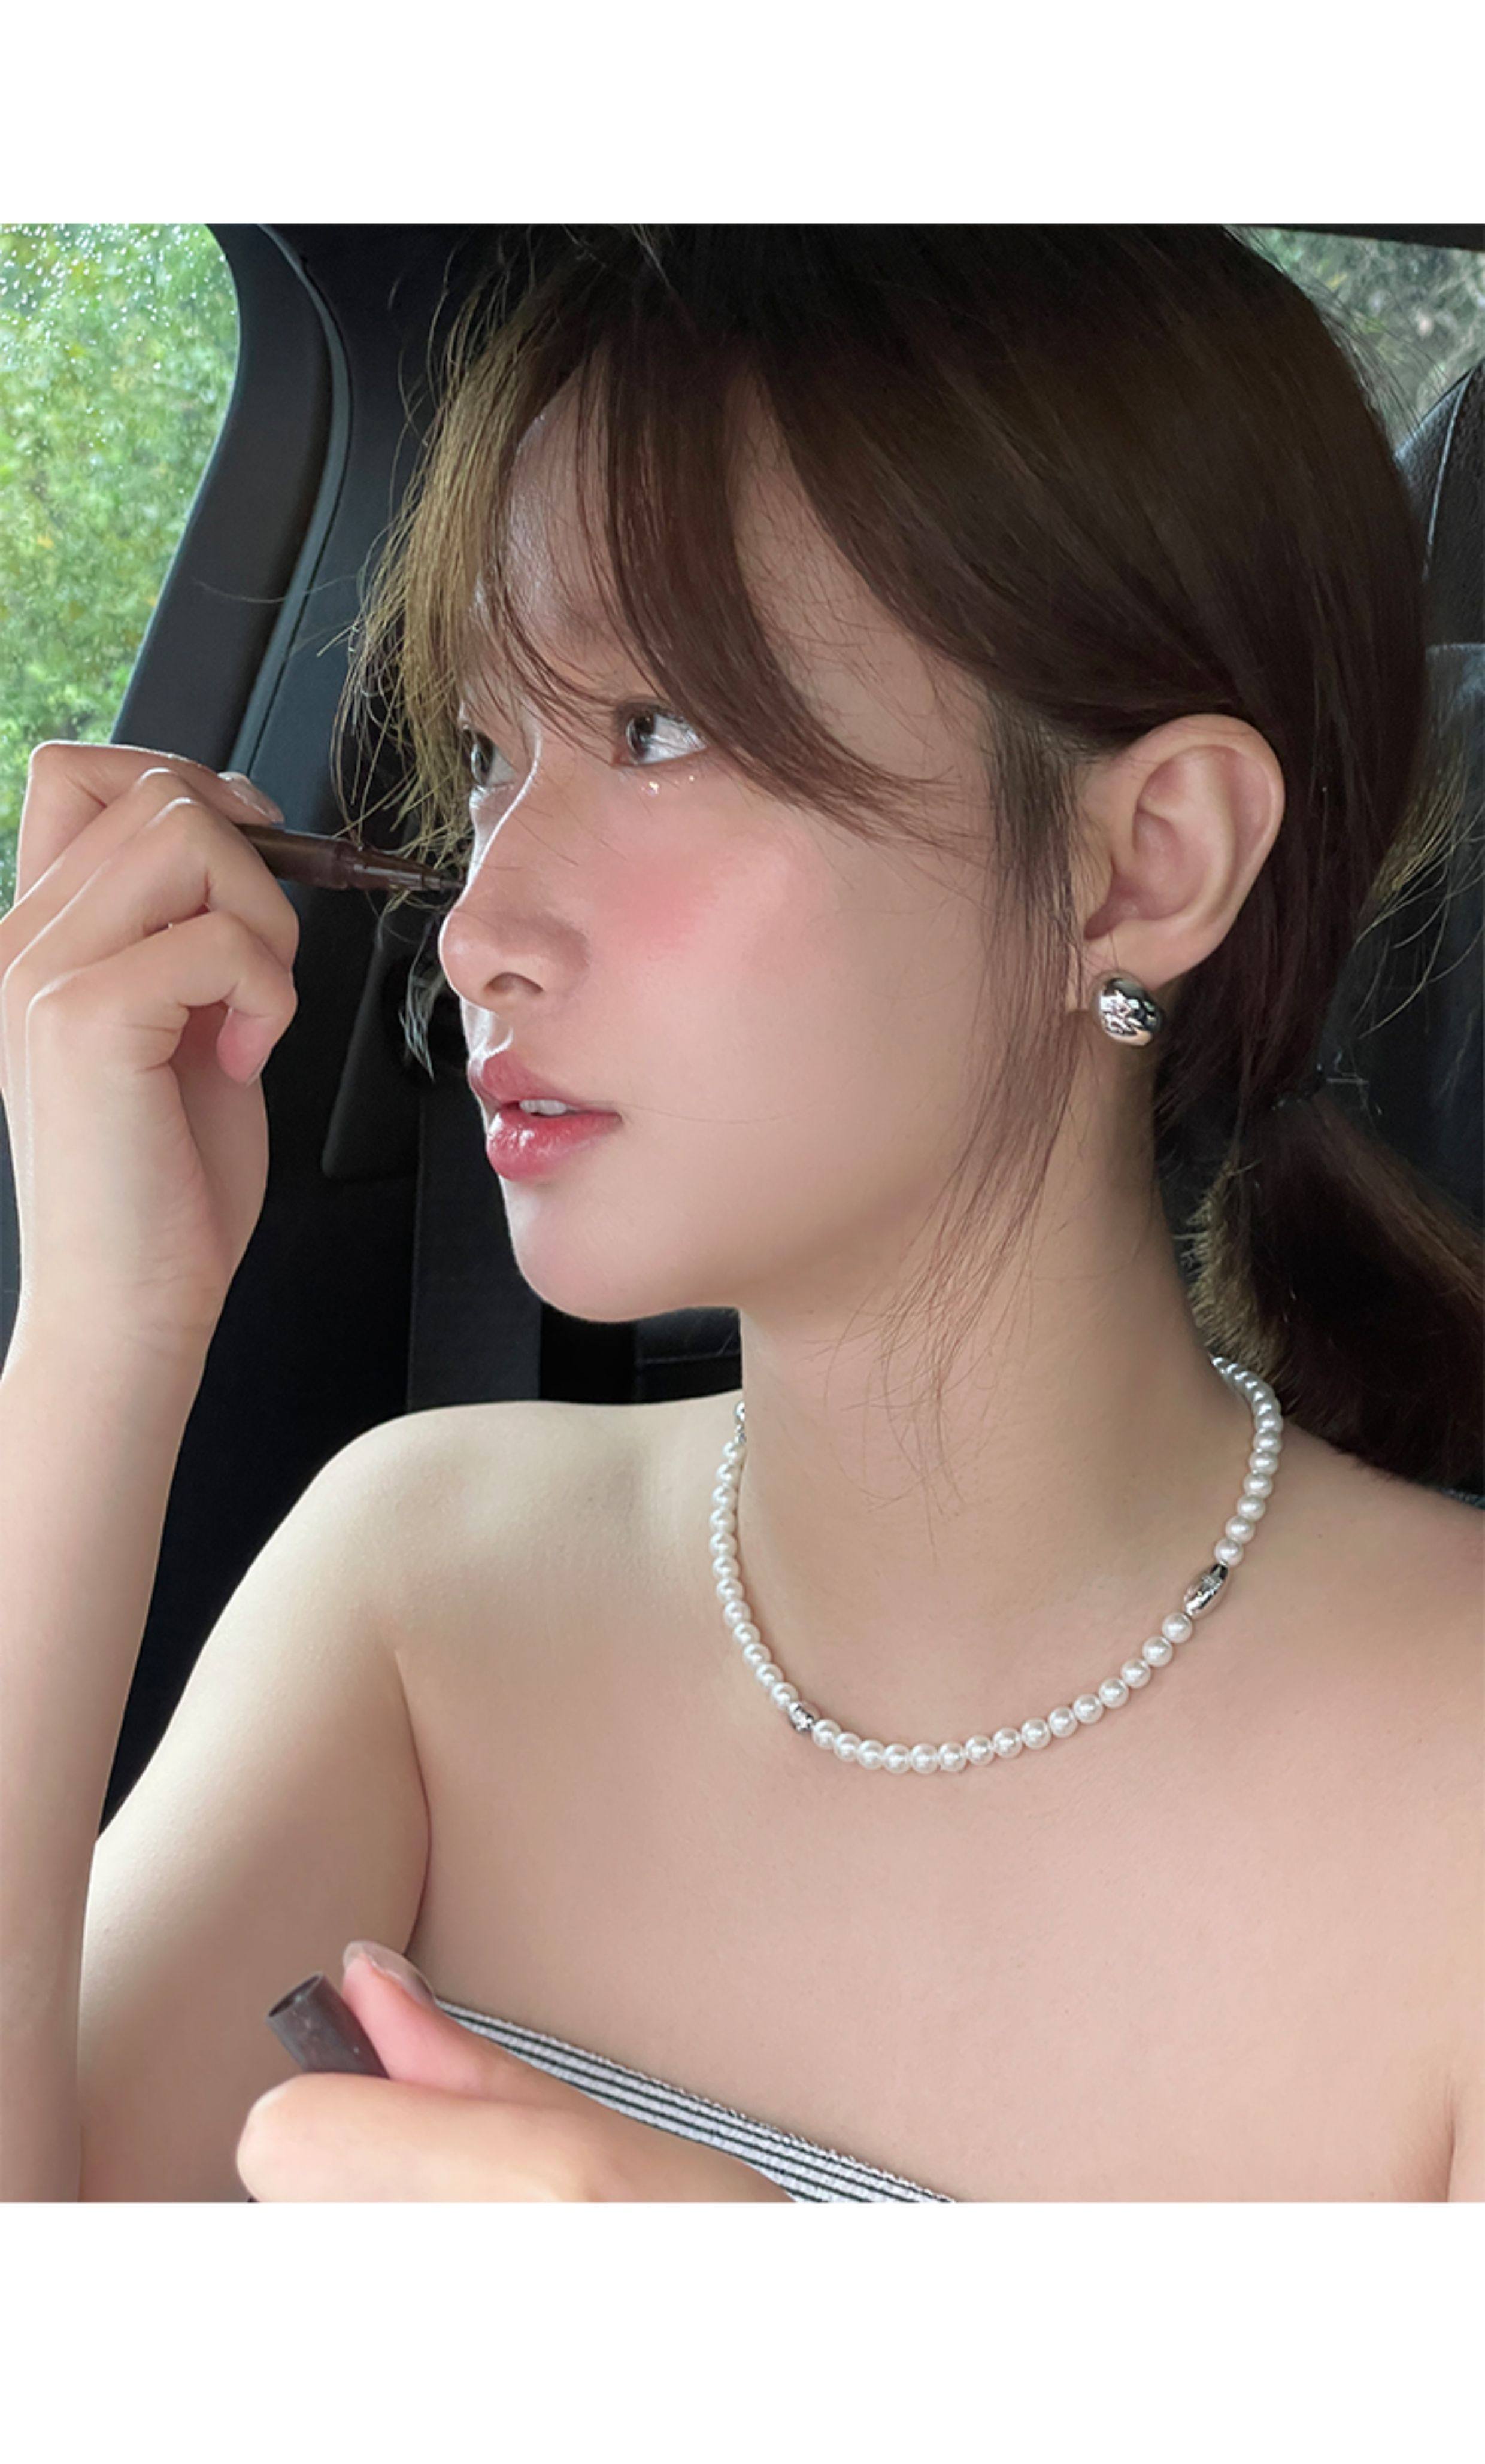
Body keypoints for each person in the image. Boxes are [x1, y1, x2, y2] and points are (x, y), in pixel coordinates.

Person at [2, 227, 1480, 2201]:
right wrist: (99, 1340)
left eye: (658, 732)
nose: (481, 928)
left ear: (1143, 862)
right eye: (489, 759)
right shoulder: (416, 1582)